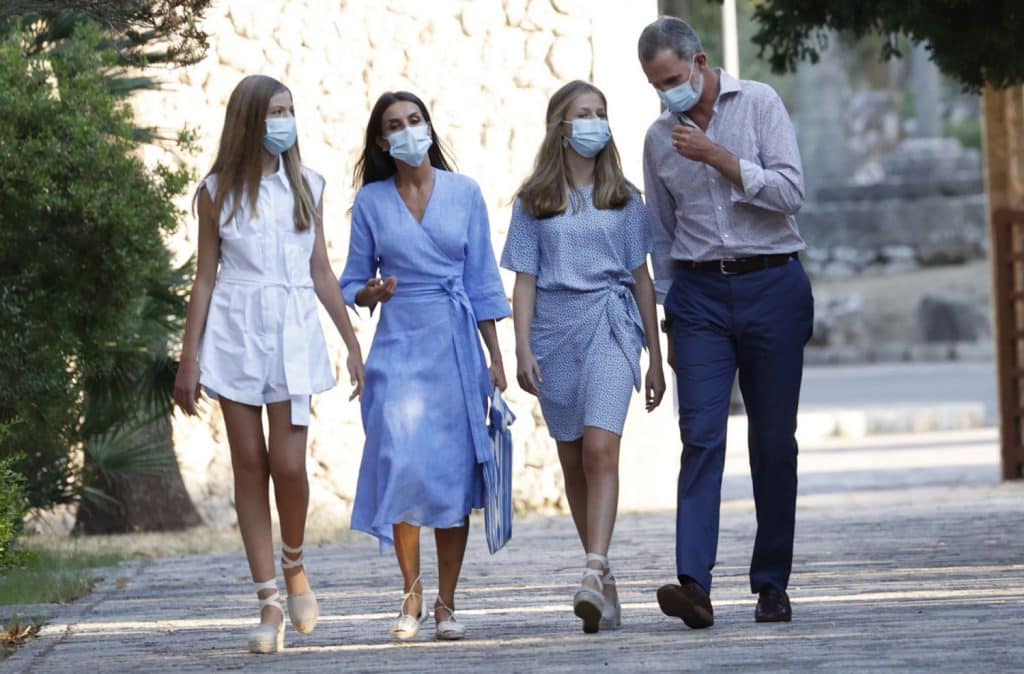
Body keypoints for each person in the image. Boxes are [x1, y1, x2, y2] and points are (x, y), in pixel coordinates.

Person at [173, 75, 365, 653]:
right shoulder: (215, 193)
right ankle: (268, 604)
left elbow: (321, 272)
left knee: (288, 463)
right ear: (249, 120)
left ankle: (295, 562)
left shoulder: (308, 185)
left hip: (292, 330)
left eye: (290, 109)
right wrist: (188, 356)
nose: (285, 120)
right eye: (275, 111)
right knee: (250, 463)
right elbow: (205, 275)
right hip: (233, 332)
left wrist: (352, 344)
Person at [637, 17, 813, 627]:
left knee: (772, 442)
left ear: (701, 61)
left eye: (673, 79)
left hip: (772, 282)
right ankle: (694, 586)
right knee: (701, 436)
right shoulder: (658, 139)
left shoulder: (760, 103)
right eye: (656, 86)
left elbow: (791, 194)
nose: (667, 94)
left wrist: (719, 158)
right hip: (700, 297)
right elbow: (661, 235)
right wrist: (670, 316)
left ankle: (771, 584)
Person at [340, 91, 510, 642]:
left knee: (452, 475)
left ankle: (446, 602)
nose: (409, 130)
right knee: (402, 461)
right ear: (383, 141)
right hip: (398, 345)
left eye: (416, 120)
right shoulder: (371, 202)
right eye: (396, 124)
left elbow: (483, 278)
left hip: (456, 344)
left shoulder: (466, 194)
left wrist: (497, 356)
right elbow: (351, 282)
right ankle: (410, 594)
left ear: (429, 127)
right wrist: (371, 291)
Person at [501, 80, 665, 634]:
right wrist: (521, 346)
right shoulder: (533, 200)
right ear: (561, 126)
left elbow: (642, 278)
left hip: (612, 325)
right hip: (553, 334)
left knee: (600, 449)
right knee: (572, 459)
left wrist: (656, 358)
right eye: (583, 114)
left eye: (602, 112)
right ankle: (605, 583)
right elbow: (524, 281)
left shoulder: (625, 197)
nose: (595, 121)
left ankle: (592, 569)